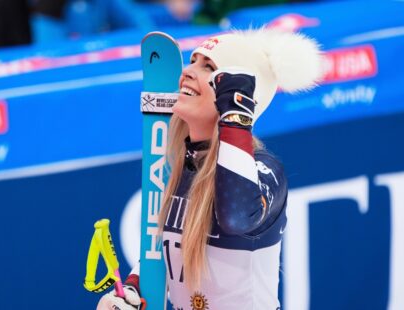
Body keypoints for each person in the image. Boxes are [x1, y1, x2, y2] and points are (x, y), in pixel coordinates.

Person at [98, 28, 322, 309]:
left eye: (209, 67)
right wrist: (132, 289)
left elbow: (237, 217)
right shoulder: (184, 166)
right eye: (193, 61)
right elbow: (167, 256)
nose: (188, 71)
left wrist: (236, 116)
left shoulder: (265, 170)